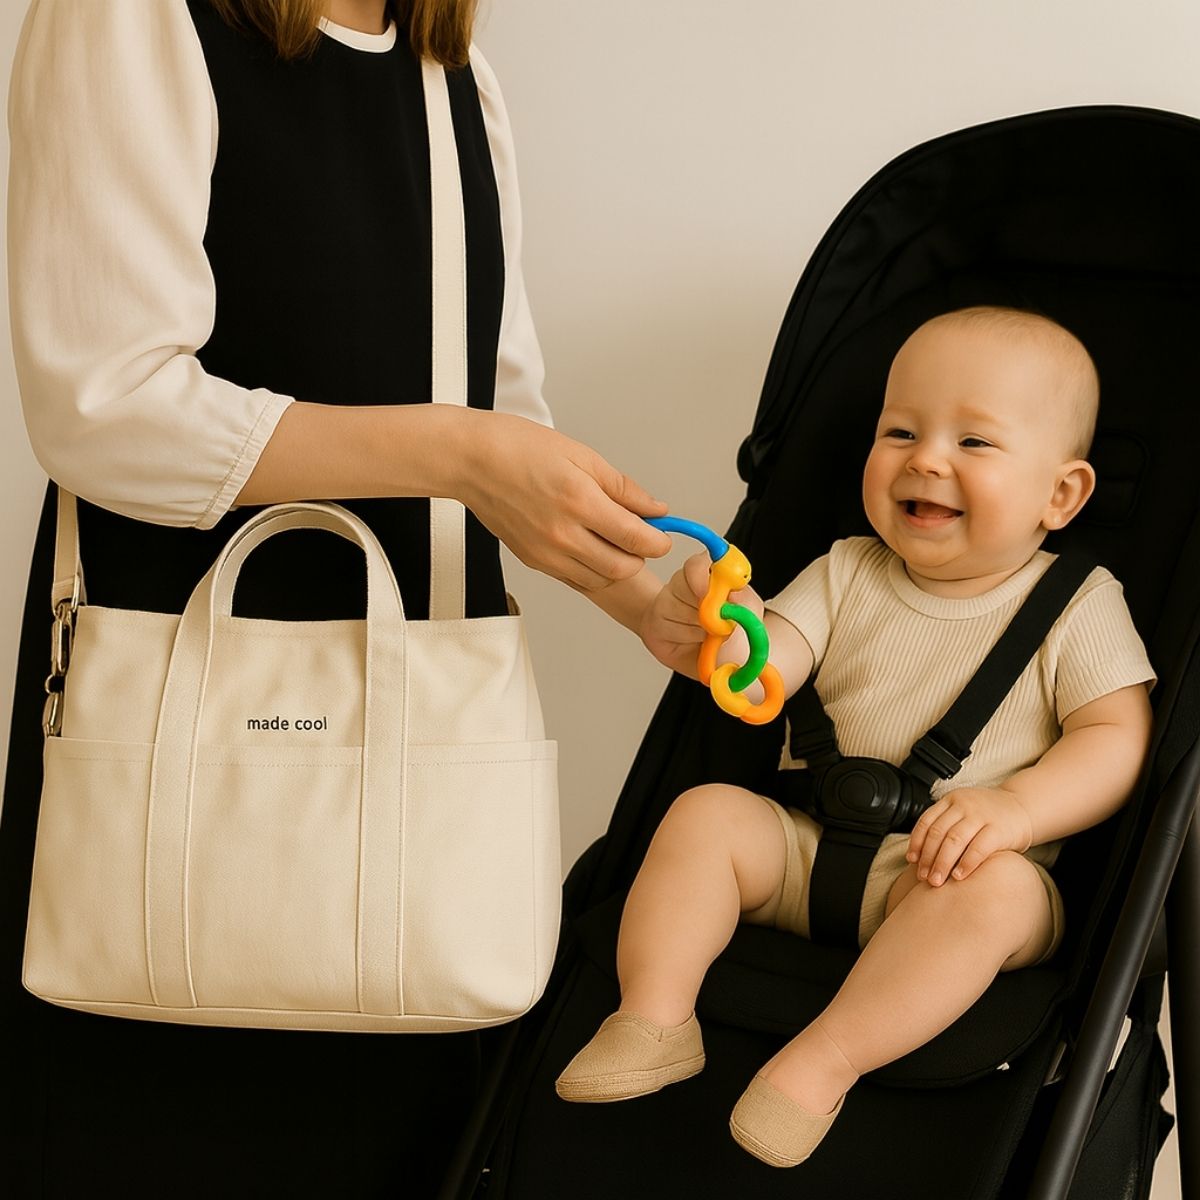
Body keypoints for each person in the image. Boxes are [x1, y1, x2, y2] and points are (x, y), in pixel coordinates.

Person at [0, 1, 671, 1194]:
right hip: (176, 758)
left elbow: (497, 411)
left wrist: (644, 591)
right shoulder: (134, 16)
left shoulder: (451, 73)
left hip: (413, 787)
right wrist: (461, 459)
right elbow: (104, 406)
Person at [555, 306, 1156, 1169]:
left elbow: (1117, 737)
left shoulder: (1078, 602)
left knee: (1001, 897)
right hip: (806, 848)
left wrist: (1016, 811)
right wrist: (730, 629)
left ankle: (822, 1061)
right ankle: (654, 1014)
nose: (926, 458)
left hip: (949, 875)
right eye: (900, 430)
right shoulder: (844, 570)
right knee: (706, 814)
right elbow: (769, 675)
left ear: (1060, 494)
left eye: (974, 443)